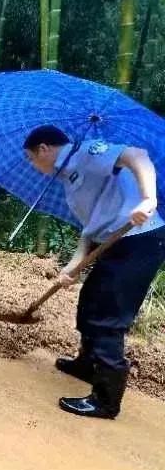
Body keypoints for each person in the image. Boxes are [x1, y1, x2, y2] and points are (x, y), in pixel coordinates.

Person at [23, 125, 165, 419]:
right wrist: (72, 268)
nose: (32, 165)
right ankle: (87, 364)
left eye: (30, 158)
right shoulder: (69, 180)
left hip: (138, 240)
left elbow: (137, 156)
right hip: (112, 242)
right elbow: (90, 232)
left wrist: (148, 199)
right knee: (90, 303)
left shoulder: (87, 152)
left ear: (44, 149)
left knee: (108, 315)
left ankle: (105, 400)